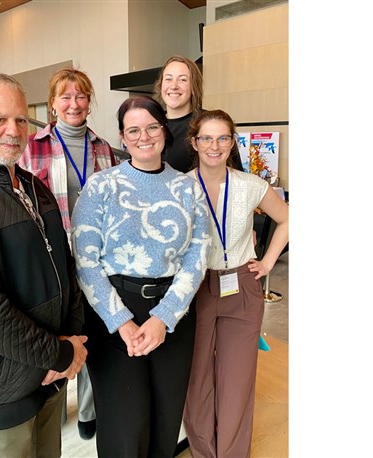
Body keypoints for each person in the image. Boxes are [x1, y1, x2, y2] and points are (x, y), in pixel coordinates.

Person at [0, 71, 88, 458]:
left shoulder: (33, 185)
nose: (13, 130)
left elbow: (66, 268)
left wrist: (72, 339)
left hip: (49, 377)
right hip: (1, 388)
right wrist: (59, 353)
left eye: (21, 119)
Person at [71, 95, 211, 458]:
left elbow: (198, 256)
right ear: (122, 136)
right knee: (125, 426)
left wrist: (163, 317)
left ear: (164, 131)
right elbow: (86, 261)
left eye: (151, 127)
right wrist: (122, 322)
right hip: (114, 313)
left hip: (174, 313)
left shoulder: (188, 188)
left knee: (166, 419)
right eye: (133, 130)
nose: (143, 136)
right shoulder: (101, 186)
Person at [182, 109, 288, 458]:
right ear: (194, 142)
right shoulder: (180, 187)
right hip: (194, 287)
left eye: (222, 138)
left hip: (241, 285)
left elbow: (288, 219)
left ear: (232, 142)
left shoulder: (250, 185)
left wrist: (267, 262)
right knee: (196, 378)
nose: (214, 146)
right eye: (207, 138)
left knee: (237, 378)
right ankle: (203, 451)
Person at [17, 67, 117, 440]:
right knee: (54, 335)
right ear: (53, 104)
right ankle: (52, 406)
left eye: (81, 96)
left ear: (89, 101)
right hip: (53, 260)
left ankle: (89, 411)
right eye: (66, 96)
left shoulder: (104, 148)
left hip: (97, 259)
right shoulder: (32, 147)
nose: (74, 103)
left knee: (93, 334)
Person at [153, 55, 243, 173]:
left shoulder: (211, 123)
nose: (174, 86)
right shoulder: (151, 125)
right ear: (161, 85)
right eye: (168, 79)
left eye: (183, 80)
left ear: (194, 86)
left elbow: (236, 175)